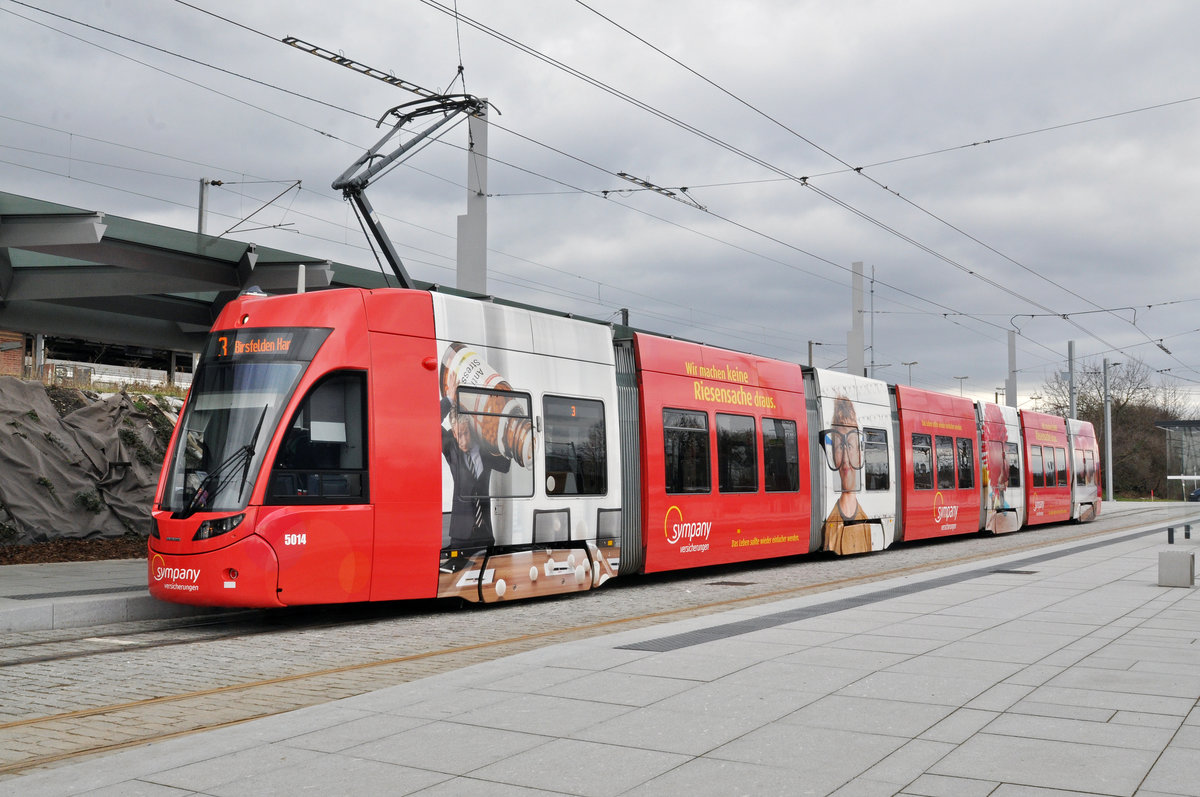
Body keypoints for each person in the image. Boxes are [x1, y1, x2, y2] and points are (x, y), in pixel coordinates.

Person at [440, 378, 511, 571]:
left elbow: (505, 465)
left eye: (465, 433)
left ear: (471, 428)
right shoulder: (452, 450)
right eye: (457, 434)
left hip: (485, 534)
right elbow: (429, 422)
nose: (461, 440)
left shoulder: (486, 451)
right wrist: (448, 399)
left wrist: (503, 430)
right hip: (460, 535)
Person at [822, 395, 872, 555]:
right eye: (838, 446)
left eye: (849, 445)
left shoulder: (865, 519)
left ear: (859, 451)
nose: (845, 460)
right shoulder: (831, 524)